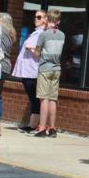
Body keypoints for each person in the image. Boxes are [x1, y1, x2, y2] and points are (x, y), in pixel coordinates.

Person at [11, 10, 45, 131]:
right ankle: (32, 124)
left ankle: (33, 125)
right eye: (35, 17)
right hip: (27, 71)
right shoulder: (35, 33)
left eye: (39, 17)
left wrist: (31, 48)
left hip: (32, 71)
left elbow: (41, 52)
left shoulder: (42, 34)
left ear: (45, 20)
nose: (36, 19)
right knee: (32, 98)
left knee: (34, 98)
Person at [33, 9, 65, 137]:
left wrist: (35, 50)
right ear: (58, 21)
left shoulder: (44, 35)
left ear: (47, 19)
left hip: (45, 68)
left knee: (44, 99)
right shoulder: (62, 35)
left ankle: (41, 128)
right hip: (56, 69)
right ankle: (52, 128)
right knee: (53, 99)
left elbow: (36, 53)